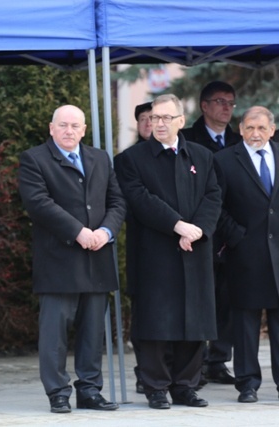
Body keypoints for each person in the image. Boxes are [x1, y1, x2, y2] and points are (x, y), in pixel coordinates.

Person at [115, 93, 222, 410]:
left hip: (194, 250)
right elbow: (139, 199)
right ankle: (156, 387)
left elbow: (213, 196)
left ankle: (185, 386)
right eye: (154, 118)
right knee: (156, 321)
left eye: (165, 118)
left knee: (194, 320)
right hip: (154, 252)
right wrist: (178, 226)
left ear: (181, 121)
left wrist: (199, 229)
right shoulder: (131, 159)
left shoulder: (201, 156)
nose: (158, 123)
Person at [18, 105, 126, 414]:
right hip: (59, 259)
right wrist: (78, 231)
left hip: (97, 256)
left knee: (93, 331)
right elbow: (38, 204)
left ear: (84, 129)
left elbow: (117, 200)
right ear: (51, 128)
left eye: (75, 125)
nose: (69, 131)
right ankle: (58, 392)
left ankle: (90, 390)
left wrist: (105, 231)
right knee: (54, 333)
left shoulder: (100, 158)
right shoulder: (34, 159)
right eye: (63, 125)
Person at [213, 106, 279, 404]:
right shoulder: (224, 160)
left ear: (272, 130)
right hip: (245, 254)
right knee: (245, 323)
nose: (256, 134)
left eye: (262, 128)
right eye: (250, 128)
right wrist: (236, 236)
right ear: (240, 129)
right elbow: (216, 205)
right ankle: (247, 383)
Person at [181, 81, 241, 385]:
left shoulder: (239, 140)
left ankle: (218, 360)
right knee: (199, 298)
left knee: (227, 300)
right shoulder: (188, 140)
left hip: (232, 235)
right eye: (220, 101)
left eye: (231, 102)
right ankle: (197, 363)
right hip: (198, 232)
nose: (227, 107)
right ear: (204, 106)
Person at [124, 101, 153, 395]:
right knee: (144, 313)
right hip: (143, 247)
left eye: (155, 118)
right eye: (145, 119)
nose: (150, 124)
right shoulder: (129, 159)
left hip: (180, 245)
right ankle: (145, 371)